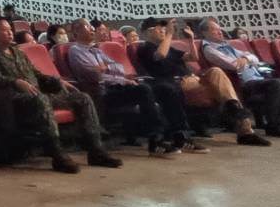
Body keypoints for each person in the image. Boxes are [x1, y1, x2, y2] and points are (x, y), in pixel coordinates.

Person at [0, 18, 122, 173]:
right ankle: (58, 155)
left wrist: (58, 81)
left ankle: (96, 151)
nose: (9, 33)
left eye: (10, 30)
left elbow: (36, 74)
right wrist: (16, 82)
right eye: (4, 30)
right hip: (16, 99)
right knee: (42, 99)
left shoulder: (18, 52)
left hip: (39, 95)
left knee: (82, 98)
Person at [64, 20, 195, 155]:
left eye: (92, 27)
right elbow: (94, 75)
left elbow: (119, 67)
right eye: (87, 27)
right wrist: (114, 74)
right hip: (102, 91)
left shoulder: (97, 51)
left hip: (117, 86)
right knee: (144, 90)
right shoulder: (75, 50)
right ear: (75, 33)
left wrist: (108, 69)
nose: (92, 29)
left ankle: (180, 135)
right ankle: (156, 140)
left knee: (165, 89)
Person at [133, 18, 268, 146]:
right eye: (159, 29)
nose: (163, 30)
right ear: (147, 32)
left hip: (194, 79)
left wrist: (191, 39)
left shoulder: (170, 49)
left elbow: (193, 57)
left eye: (164, 28)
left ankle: (240, 119)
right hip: (178, 82)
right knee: (219, 84)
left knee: (216, 71)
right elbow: (160, 55)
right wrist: (169, 35)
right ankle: (240, 121)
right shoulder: (145, 47)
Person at [196, 19, 280, 138]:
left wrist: (246, 59)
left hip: (257, 78)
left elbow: (254, 58)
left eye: (219, 29)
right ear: (204, 33)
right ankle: (275, 126)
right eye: (214, 30)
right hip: (244, 83)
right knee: (276, 84)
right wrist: (246, 59)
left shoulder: (227, 46)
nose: (220, 32)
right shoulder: (210, 49)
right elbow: (234, 65)